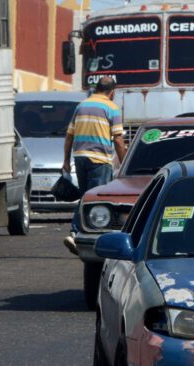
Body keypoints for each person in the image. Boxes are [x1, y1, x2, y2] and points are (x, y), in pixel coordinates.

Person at [62, 77, 126, 254]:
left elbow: (69, 136)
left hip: (80, 157)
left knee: (86, 195)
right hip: (99, 160)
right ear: (112, 91)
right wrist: (125, 163)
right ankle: (76, 233)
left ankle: (82, 234)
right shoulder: (112, 108)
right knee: (94, 199)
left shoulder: (81, 106)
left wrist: (66, 161)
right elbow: (118, 140)